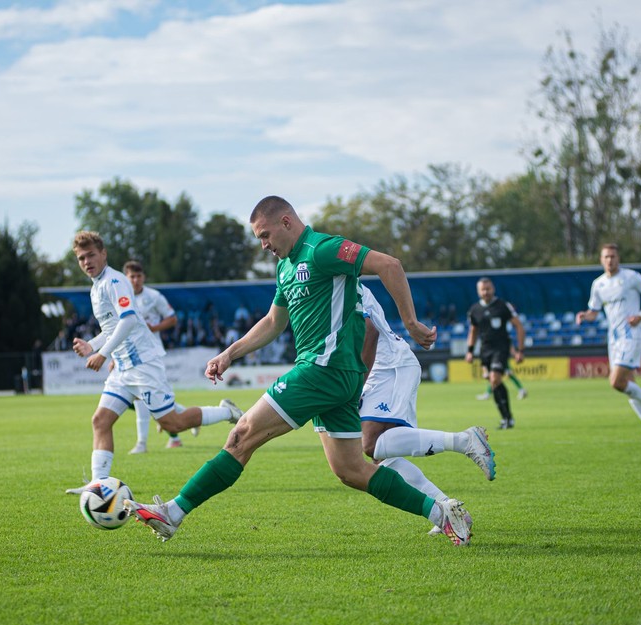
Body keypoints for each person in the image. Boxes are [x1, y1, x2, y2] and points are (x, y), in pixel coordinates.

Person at [124, 196, 475, 546]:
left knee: (242, 434)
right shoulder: (285, 268)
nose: (264, 245)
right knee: (351, 471)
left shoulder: (323, 248)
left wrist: (411, 322)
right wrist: (230, 354)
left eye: (265, 235)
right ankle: (443, 513)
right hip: (334, 376)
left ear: (286, 222)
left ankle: (173, 513)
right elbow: (275, 321)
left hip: (323, 368)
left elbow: (390, 265)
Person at [65, 231, 242, 494]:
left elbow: (129, 320)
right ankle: (98, 485)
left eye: (91, 255)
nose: (87, 261)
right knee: (100, 420)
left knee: (174, 423)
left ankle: (227, 412)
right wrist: (93, 345)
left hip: (144, 365)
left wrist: (102, 354)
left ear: (103, 254)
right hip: (123, 368)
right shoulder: (96, 286)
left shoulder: (115, 280)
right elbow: (113, 326)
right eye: (81, 258)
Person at [358, 283, 495, 536]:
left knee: (370, 444)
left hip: (389, 367)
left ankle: (464, 440)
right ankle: (449, 510)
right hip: (384, 368)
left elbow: (369, 331)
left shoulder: (339, 280)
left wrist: (355, 385)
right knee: (381, 458)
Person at [576, 243, 641, 440]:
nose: (610, 260)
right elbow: (594, 311)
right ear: (601, 260)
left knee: (616, 382)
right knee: (628, 383)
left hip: (631, 334)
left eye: (613, 256)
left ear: (619, 258)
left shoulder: (631, 277)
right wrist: (584, 315)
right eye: (606, 257)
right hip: (613, 339)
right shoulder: (598, 284)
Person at [122, 259, 197, 453]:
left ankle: (142, 444)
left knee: (143, 398)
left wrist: (154, 327)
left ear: (144, 277)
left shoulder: (154, 297)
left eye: (139, 276)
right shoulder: (121, 298)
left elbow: (172, 318)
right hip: (127, 355)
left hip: (150, 354)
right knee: (138, 397)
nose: (136, 280)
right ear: (126, 278)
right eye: (132, 276)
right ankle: (190, 417)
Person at [465, 278, 526, 429]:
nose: (486, 292)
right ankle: (506, 418)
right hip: (485, 350)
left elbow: (518, 326)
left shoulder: (503, 306)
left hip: (501, 347)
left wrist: (520, 350)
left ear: (493, 289)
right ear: (478, 291)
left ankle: (507, 418)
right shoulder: (474, 309)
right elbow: (473, 331)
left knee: (495, 378)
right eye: (483, 290)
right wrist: (470, 351)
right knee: (493, 382)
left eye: (488, 289)